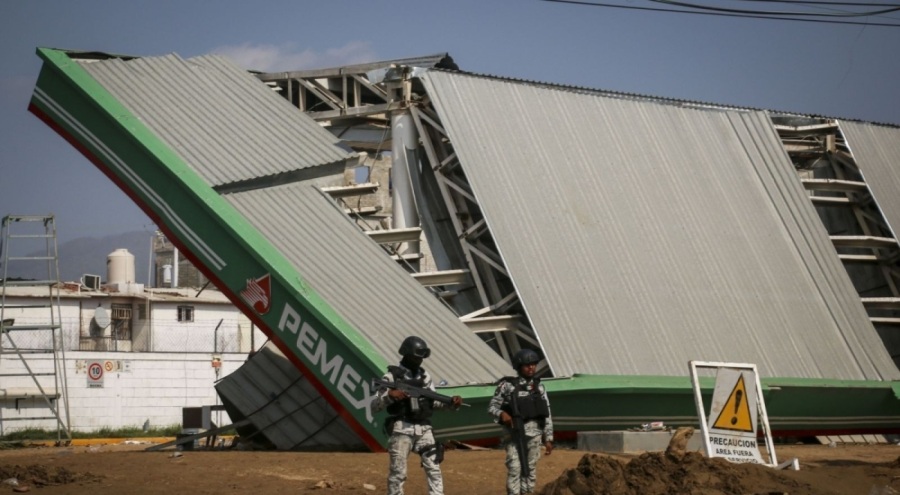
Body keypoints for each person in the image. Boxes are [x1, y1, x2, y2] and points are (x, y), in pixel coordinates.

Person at [371, 336, 463, 495]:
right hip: (402, 429)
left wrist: (450, 403)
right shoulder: (391, 377)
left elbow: (433, 401)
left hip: (424, 428)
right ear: (406, 354)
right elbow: (374, 406)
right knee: (398, 473)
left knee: (434, 468)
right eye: (415, 357)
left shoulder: (424, 377)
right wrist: (390, 396)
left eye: (421, 358)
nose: (419, 361)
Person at [488, 348, 554, 495]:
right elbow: (492, 407)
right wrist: (502, 414)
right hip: (514, 435)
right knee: (515, 468)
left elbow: (547, 413)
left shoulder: (539, 387)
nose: (531, 368)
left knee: (530, 469)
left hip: (535, 434)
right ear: (519, 367)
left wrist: (548, 438)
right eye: (527, 365)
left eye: (534, 364)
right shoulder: (507, 386)